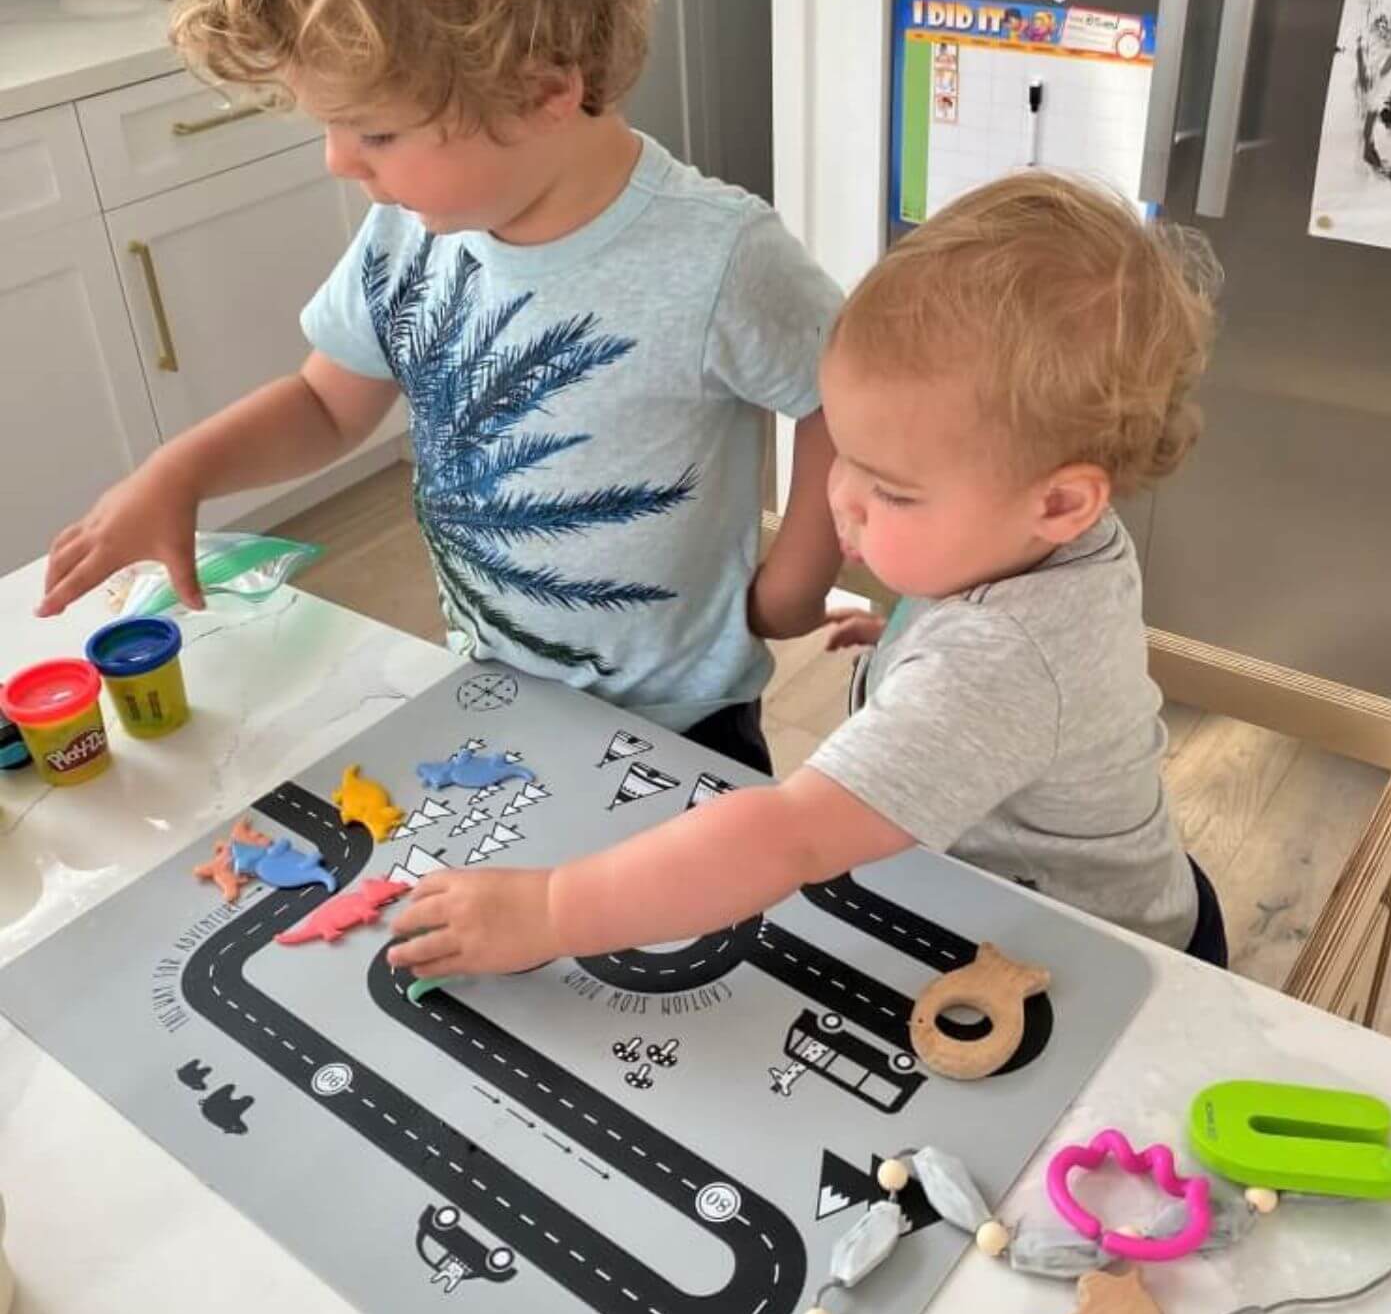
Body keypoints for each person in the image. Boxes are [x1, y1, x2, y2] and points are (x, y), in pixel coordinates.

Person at [36, 0, 843, 775]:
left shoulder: (720, 256)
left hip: (680, 718)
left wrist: (797, 580)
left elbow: (840, 395)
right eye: (329, 128)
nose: (341, 162)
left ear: (544, 89)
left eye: (375, 132)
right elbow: (326, 405)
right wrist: (183, 471)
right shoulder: (410, 234)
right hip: (489, 680)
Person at [388, 171, 1231, 980]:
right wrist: (913, 639)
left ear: (1060, 504)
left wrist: (551, 909)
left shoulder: (999, 661)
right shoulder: (1040, 535)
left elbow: (789, 836)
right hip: (1103, 890)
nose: (841, 501)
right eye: (844, 460)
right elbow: (1024, 661)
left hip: (1106, 958)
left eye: (892, 491)